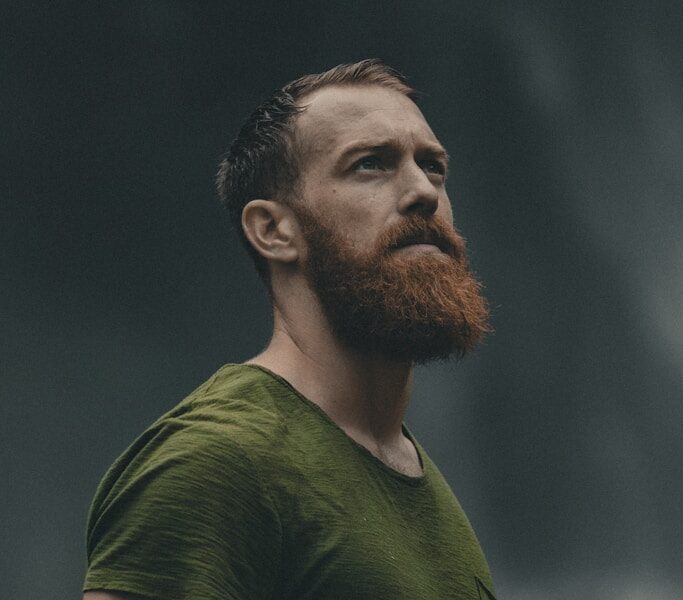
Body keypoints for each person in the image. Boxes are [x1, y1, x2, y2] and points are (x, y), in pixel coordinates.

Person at [83, 59, 496, 600]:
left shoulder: (410, 470)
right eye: (371, 164)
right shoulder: (216, 463)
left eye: (434, 166)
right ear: (275, 230)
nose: (424, 191)